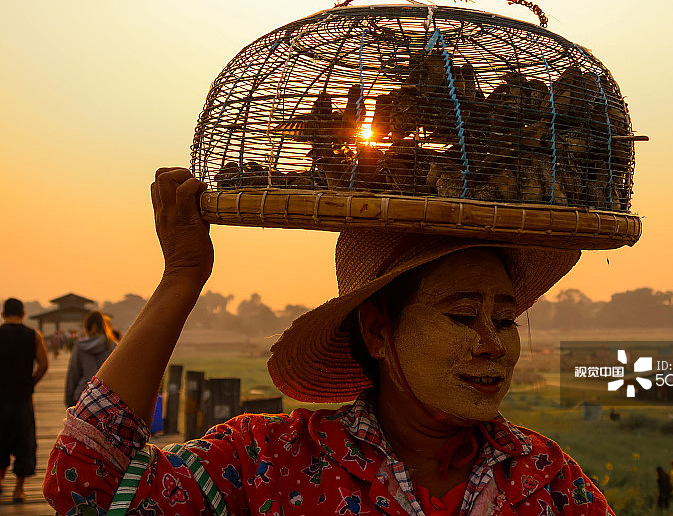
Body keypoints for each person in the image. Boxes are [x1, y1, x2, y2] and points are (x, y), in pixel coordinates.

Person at [43, 168, 615, 515]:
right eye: (463, 317)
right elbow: (88, 487)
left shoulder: (547, 480)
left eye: (507, 320)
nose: (494, 345)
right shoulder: (274, 463)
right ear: (377, 330)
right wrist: (182, 277)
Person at [0, 298, 48, 503]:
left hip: (1, 398)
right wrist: (31, 384)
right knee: (24, 442)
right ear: (23, 313)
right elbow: (44, 364)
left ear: (3, 314)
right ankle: (18, 490)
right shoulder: (33, 335)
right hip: (23, 398)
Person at [64, 310, 117, 408]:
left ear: (87, 327)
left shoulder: (80, 347)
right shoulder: (114, 347)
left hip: (82, 396)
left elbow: (73, 374)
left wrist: (68, 399)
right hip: (107, 399)